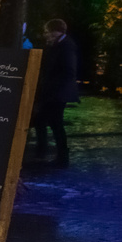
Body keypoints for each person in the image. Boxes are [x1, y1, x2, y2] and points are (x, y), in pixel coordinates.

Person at [31, 19, 80, 167]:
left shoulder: (65, 46)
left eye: (47, 32)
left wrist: (54, 88)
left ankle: (59, 156)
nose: (45, 35)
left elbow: (68, 71)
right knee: (48, 122)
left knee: (53, 123)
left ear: (55, 32)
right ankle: (48, 153)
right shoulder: (61, 44)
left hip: (57, 93)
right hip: (56, 92)